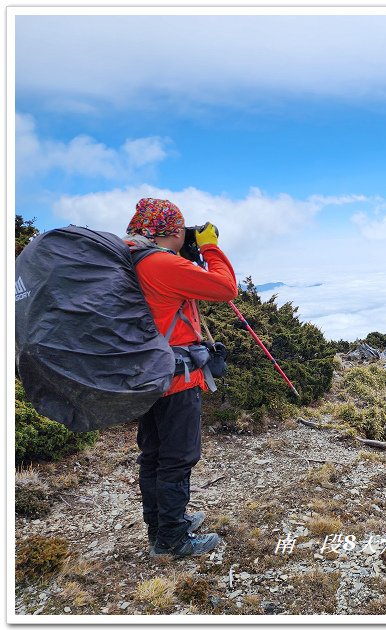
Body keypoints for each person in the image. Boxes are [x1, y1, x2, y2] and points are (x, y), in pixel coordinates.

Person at [124, 197, 238, 557]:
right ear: (171, 230)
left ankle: (160, 526)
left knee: (154, 455)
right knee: (178, 457)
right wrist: (209, 246)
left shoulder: (133, 258)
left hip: (144, 375)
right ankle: (171, 540)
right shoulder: (160, 264)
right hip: (174, 379)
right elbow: (225, 288)